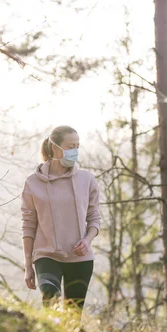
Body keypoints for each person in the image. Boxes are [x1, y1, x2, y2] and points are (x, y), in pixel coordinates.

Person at [21, 125, 101, 312]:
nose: (75, 151)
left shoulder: (87, 180)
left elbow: (94, 218)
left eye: (77, 146)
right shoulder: (33, 183)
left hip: (80, 258)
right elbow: (28, 225)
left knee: (73, 315)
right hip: (47, 256)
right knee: (50, 300)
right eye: (70, 146)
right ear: (55, 147)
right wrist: (28, 265)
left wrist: (87, 240)